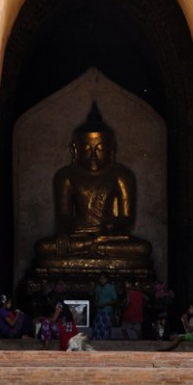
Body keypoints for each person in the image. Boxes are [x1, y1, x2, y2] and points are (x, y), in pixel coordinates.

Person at [35, 103, 152, 266]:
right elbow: (64, 215)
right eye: (87, 149)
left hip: (108, 237)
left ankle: (94, 246)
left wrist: (108, 227)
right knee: (43, 247)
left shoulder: (122, 175)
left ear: (112, 149)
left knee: (142, 248)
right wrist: (63, 233)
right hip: (78, 236)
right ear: (75, 150)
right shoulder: (66, 175)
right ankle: (93, 246)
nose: (93, 156)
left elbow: (126, 218)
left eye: (100, 149)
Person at [90, 271, 118, 340]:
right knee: (97, 329)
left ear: (107, 279)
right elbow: (96, 299)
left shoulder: (111, 288)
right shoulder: (98, 288)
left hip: (107, 312)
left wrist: (105, 304)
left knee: (105, 329)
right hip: (98, 312)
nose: (102, 280)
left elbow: (115, 300)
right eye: (100, 278)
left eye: (103, 278)